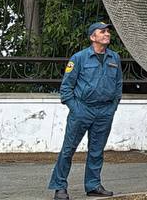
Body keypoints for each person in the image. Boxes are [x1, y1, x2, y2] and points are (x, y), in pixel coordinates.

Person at [48, 21, 123, 199]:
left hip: (104, 112)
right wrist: (76, 109)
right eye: (102, 32)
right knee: (68, 150)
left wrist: (112, 108)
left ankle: (93, 185)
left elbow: (118, 85)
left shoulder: (115, 58)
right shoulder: (79, 58)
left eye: (107, 32)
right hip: (82, 110)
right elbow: (66, 89)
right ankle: (60, 187)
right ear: (92, 37)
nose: (107, 34)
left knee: (97, 151)